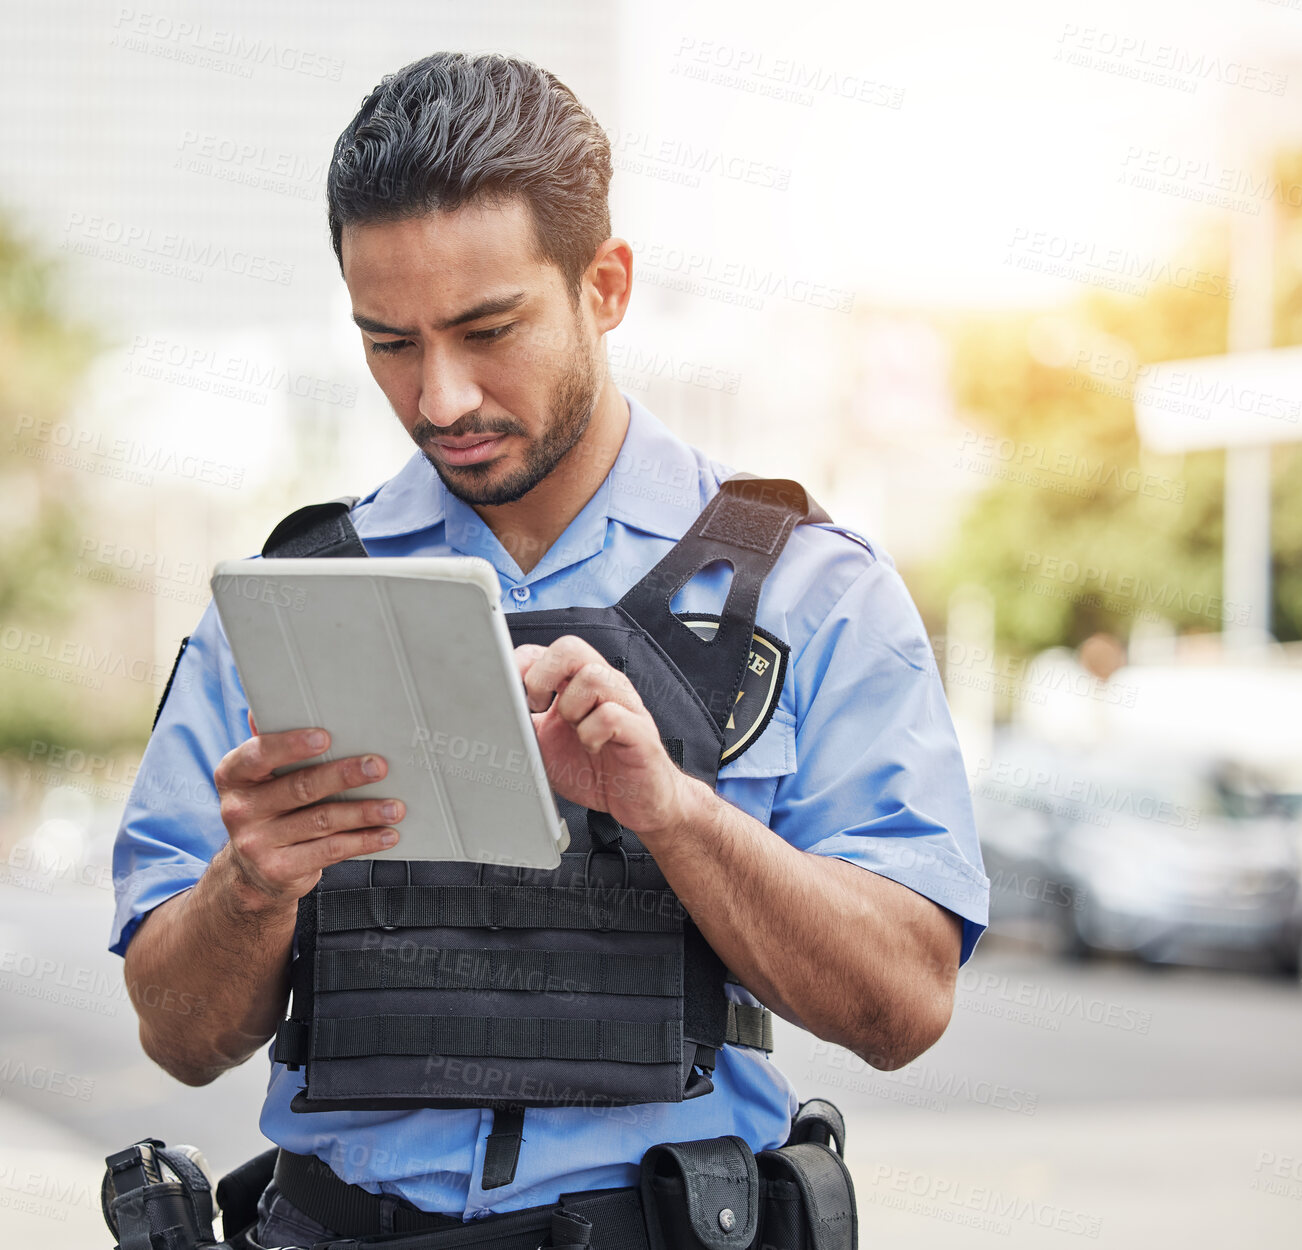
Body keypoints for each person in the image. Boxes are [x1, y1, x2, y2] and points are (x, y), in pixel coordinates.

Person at [109, 50, 989, 1249]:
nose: (441, 398)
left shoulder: (812, 588)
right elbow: (176, 1027)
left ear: (606, 284)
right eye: (390, 343)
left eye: (487, 328)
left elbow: (903, 1005)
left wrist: (671, 811)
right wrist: (252, 881)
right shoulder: (282, 605)